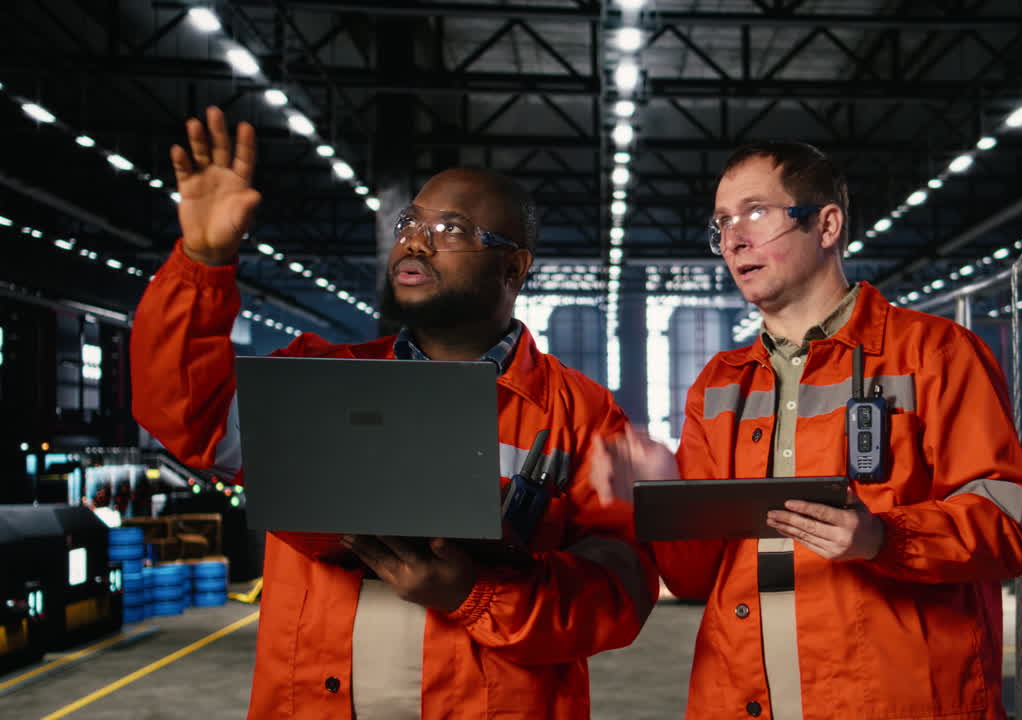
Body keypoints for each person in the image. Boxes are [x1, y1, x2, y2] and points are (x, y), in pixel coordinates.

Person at [131, 106, 658, 719]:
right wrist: (203, 261)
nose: (414, 239)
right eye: (410, 222)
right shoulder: (318, 380)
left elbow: (622, 592)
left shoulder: (583, 418)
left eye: (452, 229)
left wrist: (473, 593)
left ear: (513, 268)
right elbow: (183, 414)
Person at [591, 141, 1022, 720]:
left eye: (755, 212)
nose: (732, 238)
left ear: (826, 224)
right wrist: (658, 498)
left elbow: (1008, 523)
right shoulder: (719, 384)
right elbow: (695, 575)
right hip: (741, 696)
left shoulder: (936, 354)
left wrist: (884, 537)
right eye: (722, 222)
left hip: (898, 700)